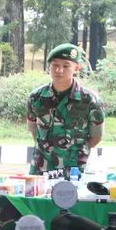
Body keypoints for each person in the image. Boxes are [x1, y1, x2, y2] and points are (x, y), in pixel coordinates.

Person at [26, 43, 104, 175]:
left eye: (66, 66)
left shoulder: (90, 100)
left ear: (76, 68)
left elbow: (96, 137)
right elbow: (33, 129)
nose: (59, 70)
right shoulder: (36, 97)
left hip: (74, 169)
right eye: (55, 65)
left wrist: (74, 152)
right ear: (49, 66)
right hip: (42, 167)